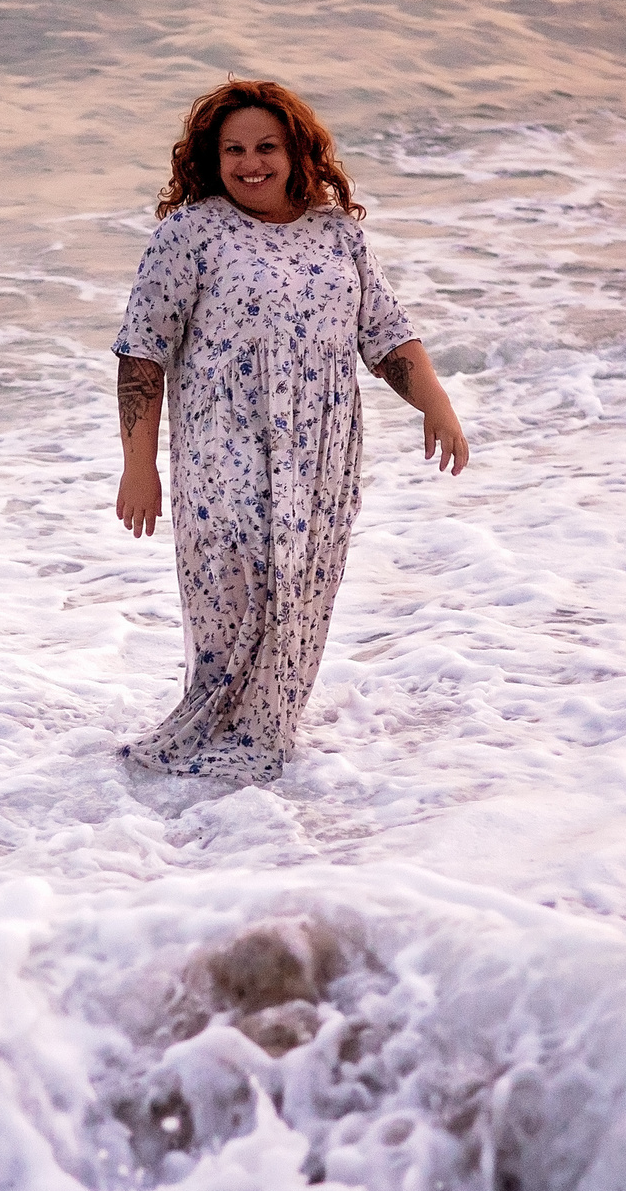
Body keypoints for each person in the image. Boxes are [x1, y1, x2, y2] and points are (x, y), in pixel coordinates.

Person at [111, 78, 468, 783]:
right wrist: (138, 465)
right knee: (238, 589)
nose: (251, 163)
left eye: (266, 147)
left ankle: (261, 740)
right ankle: (211, 735)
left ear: (295, 150)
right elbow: (143, 352)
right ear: (211, 160)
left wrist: (438, 406)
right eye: (234, 149)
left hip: (323, 454)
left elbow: (388, 337)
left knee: (302, 591)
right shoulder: (189, 235)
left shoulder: (339, 234)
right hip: (224, 450)